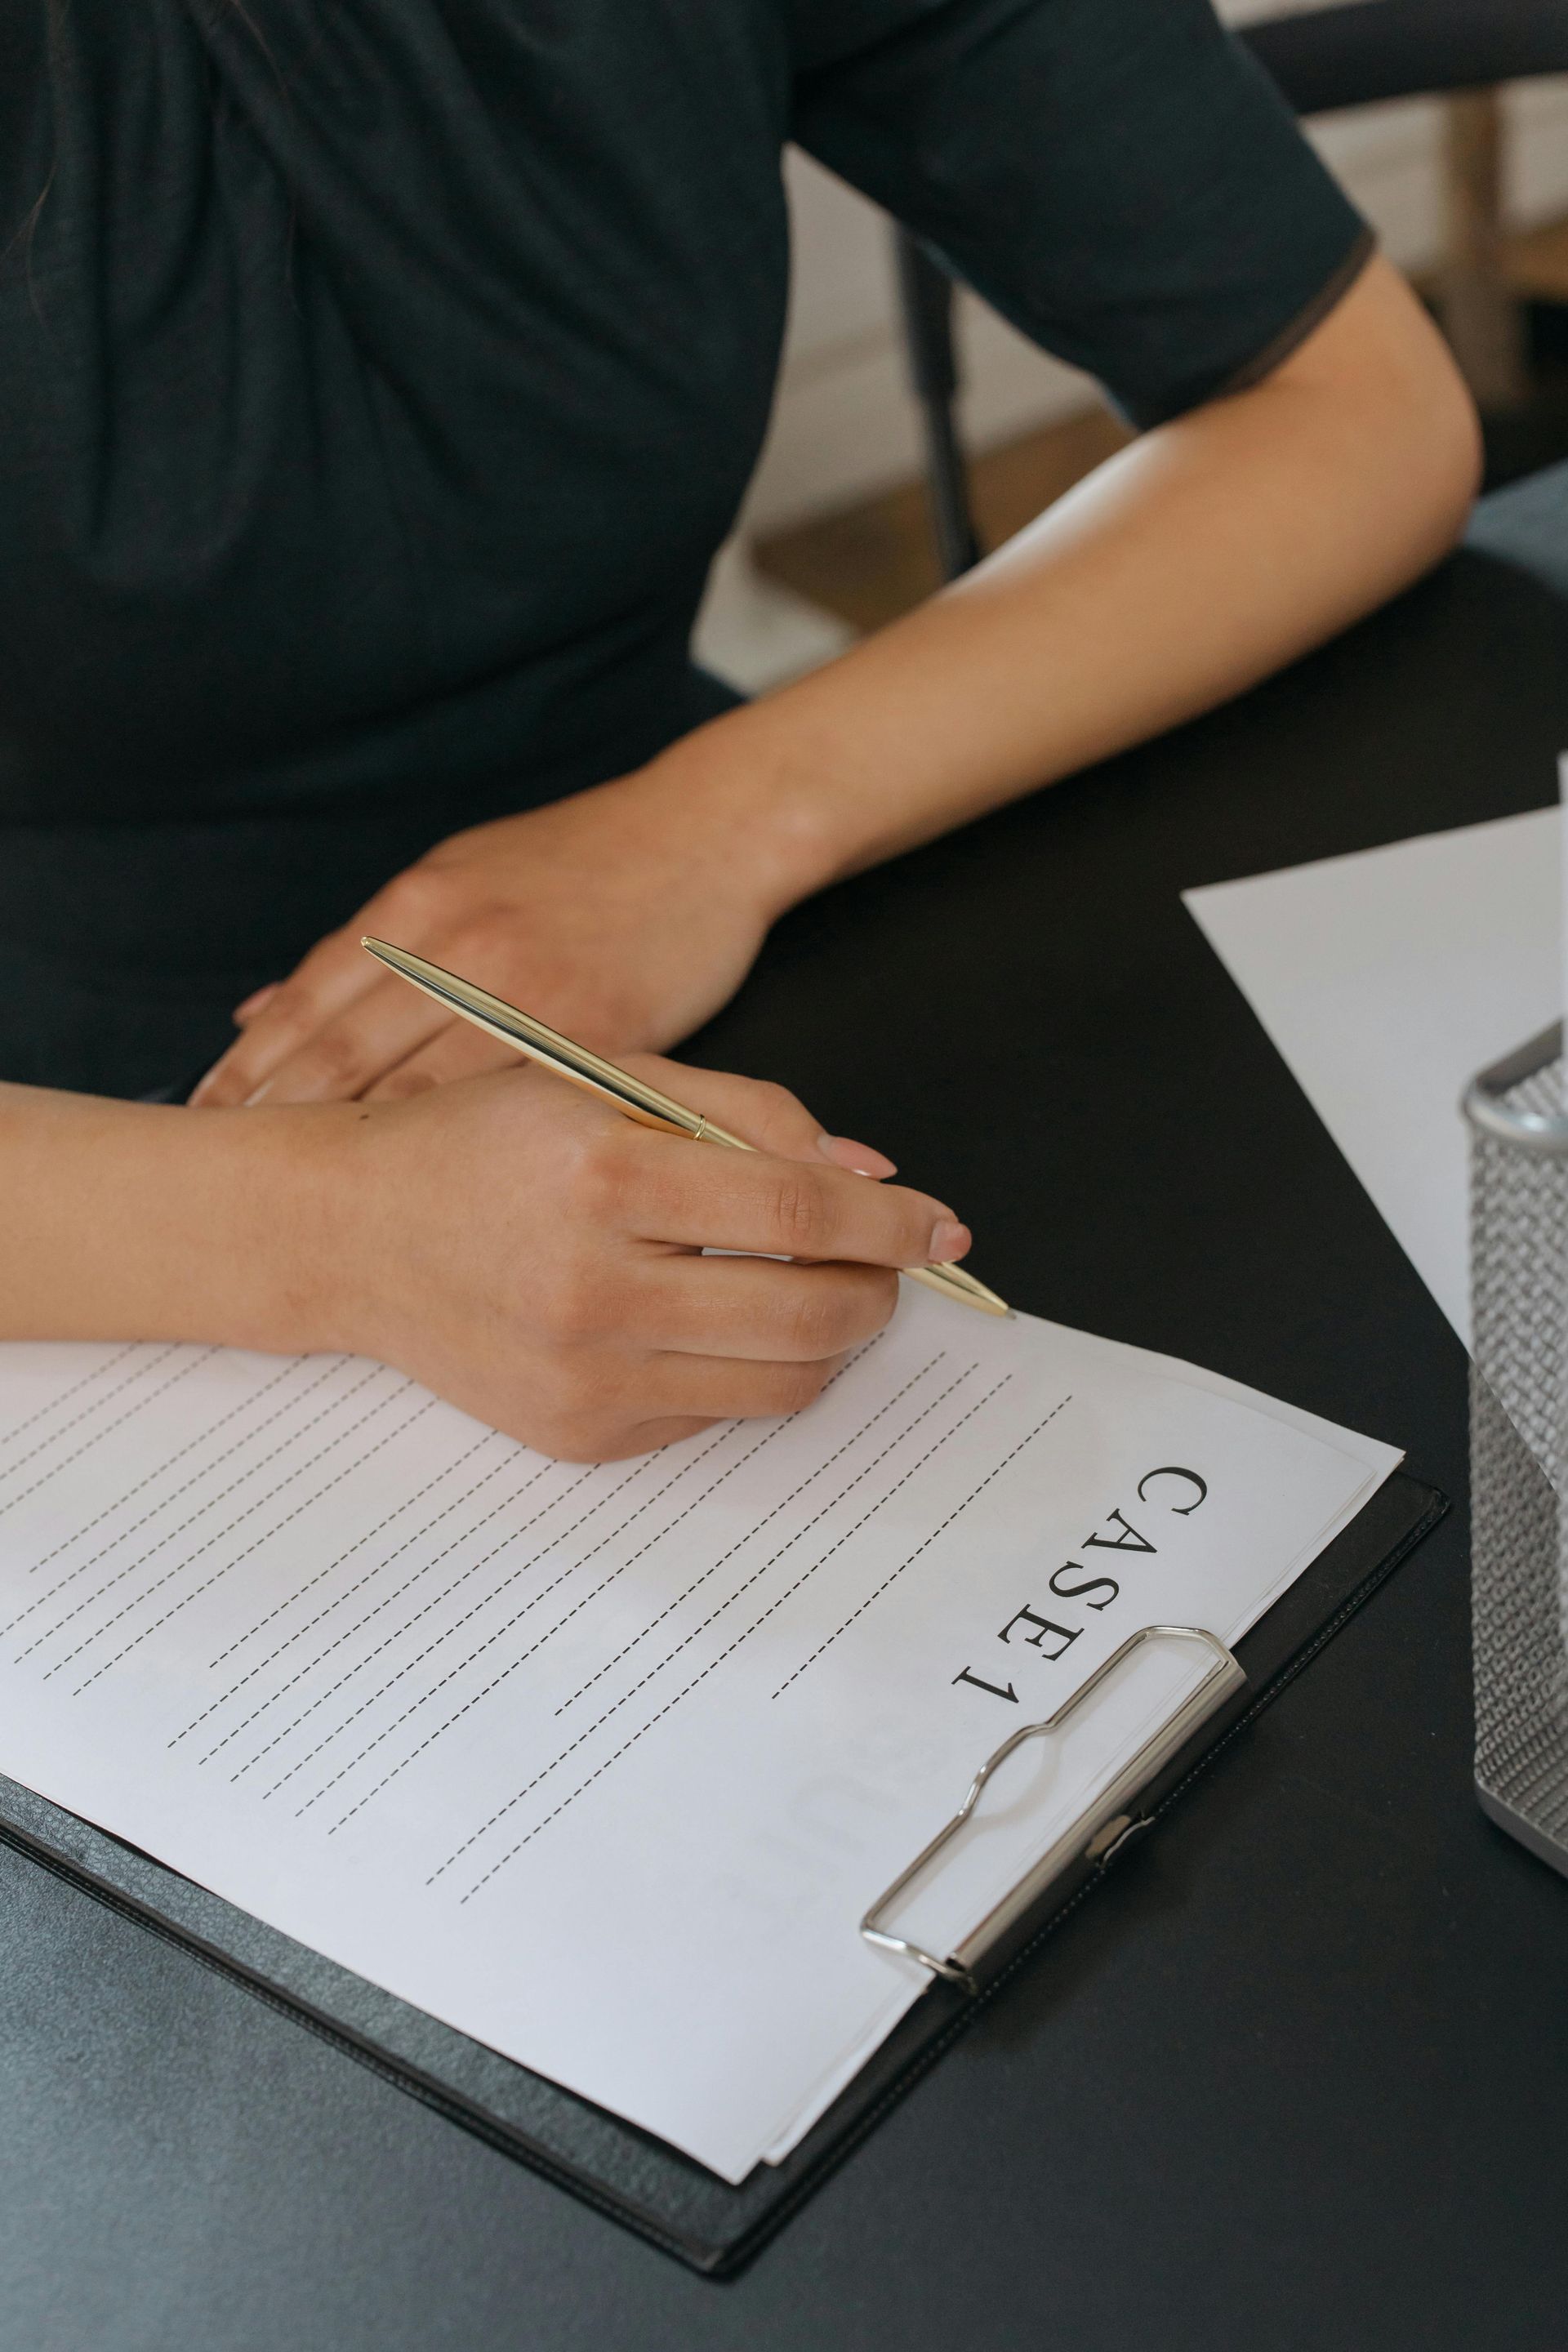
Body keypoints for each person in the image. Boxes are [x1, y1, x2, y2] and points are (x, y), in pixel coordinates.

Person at [0, 0, 1479, 1459]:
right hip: (90, 1176)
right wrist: (330, 1231)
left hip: (708, 929)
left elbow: (1353, 402)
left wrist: (715, 828)